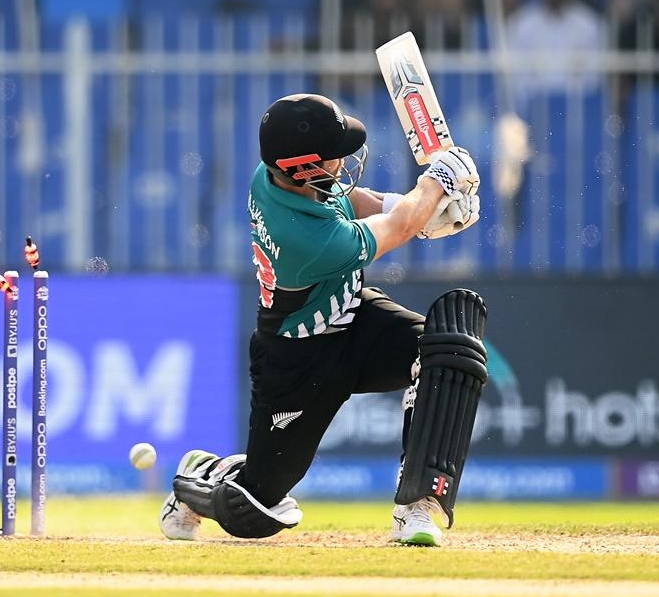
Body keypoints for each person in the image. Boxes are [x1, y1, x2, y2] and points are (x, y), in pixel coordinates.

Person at [159, 94, 487, 547]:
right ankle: (203, 476)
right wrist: (434, 186)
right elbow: (396, 231)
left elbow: (347, 199)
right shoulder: (307, 241)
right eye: (335, 153)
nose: (345, 158)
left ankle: (419, 507)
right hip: (297, 359)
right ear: (303, 168)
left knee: (448, 351)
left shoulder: (273, 174)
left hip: (353, 320)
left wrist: (412, 208)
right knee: (255, 509)